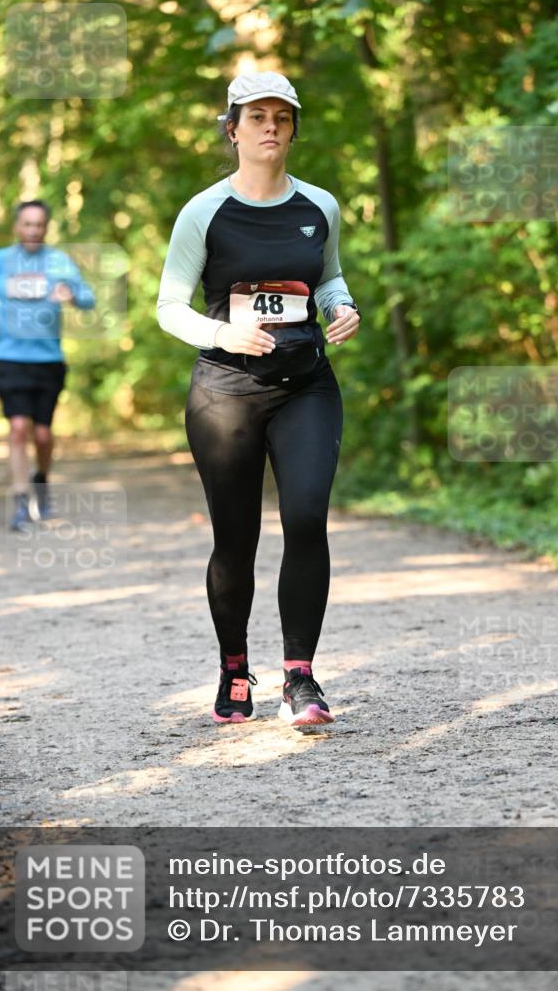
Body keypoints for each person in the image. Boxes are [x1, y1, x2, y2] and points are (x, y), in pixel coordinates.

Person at [157, 72, 360, 729]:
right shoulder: (203, 212)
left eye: (282, 117)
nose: (270, 127)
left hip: (306, 387)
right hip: (226, 394)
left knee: (306, 516)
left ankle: (299, 677)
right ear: (233, 130)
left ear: (293, 130)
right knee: (235, 539)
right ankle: (234, 666)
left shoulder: (319, 206)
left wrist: (342, 306)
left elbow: (327, 276)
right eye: (256, 117)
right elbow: (168, 306)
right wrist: (223, 333)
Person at [0, 200, 95, 530]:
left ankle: (41, 481)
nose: (32, 230)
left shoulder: (59, 262)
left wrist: (72, 295)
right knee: (17, 429)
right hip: (10, 357)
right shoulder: (0, 260)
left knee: (42, 435)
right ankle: (19, 504)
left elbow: (88, 298)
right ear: (17, 226)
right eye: (27, 224)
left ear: (46, 228)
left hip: (48, 360)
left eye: (38, 225)